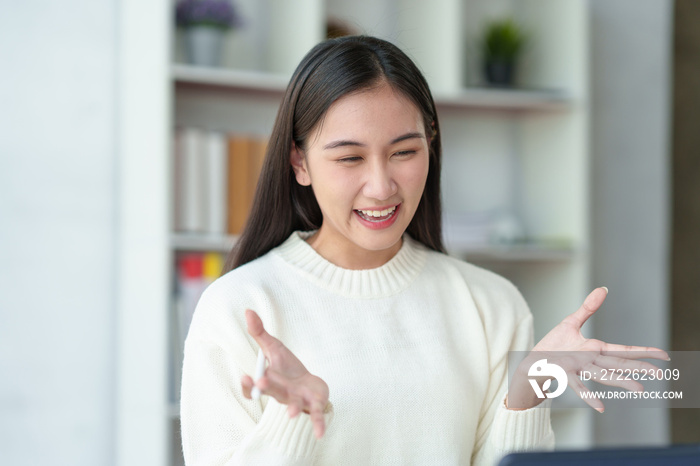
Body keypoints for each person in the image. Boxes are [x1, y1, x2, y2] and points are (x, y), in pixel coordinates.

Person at [180, 35, 668, 465]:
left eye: (405, 152)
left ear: (431, 146)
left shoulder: (491, 305)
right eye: (350, 157)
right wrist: (294, 422)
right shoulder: (239, 309)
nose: (380, 186)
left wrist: (528, 393)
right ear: (299, 163)